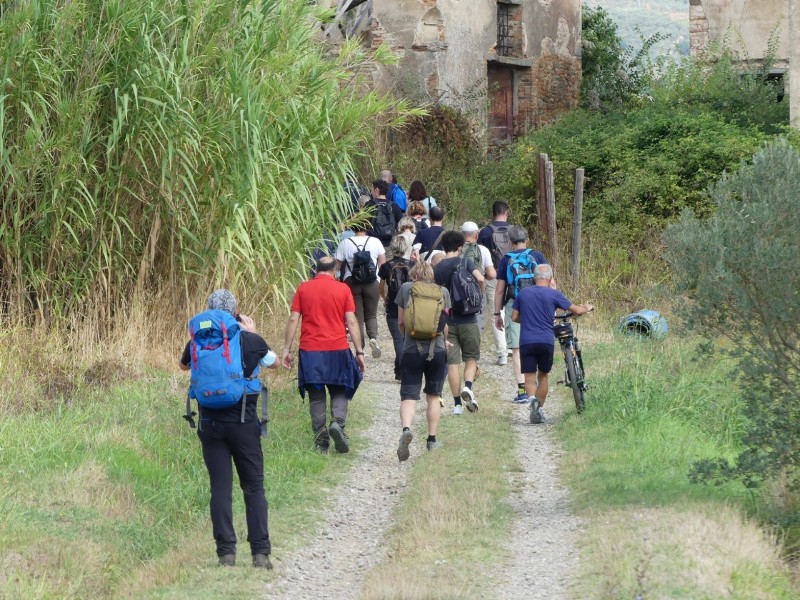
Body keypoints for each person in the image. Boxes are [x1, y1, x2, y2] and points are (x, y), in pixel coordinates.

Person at [179, 289, 275, 569]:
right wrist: (252, 332)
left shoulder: (198, 339)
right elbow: (274, 362)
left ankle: (226, 555)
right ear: (235, 313)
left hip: (210, 424)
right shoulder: (249, 339)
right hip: (244, 424)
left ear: (209, 311)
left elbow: (183, 365)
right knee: (254, 487)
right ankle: (260, 554)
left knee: (220, 488)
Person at [282, 257, 366, 452]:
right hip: (337, 348)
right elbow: (352, 322)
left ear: (316, 270)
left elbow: (294, 319)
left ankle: (321, 440)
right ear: (335, 271)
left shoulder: (303, 288)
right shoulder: (342, 289)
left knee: (316, 395)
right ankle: (337, 423)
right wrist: (359, 351)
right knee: (339, 389)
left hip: (310, 351)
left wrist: (286, 349)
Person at [511, 264, 593, 424]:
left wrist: (527, 319)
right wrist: (587, 307)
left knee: (529, 377)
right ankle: (539, 409)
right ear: (550, 278)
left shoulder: (524, 293)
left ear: (534, 278)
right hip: (545, 340)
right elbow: (576, 310)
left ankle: (533, 400)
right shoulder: (553, 294)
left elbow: (514, 317)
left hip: (526, 340)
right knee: (543, 375)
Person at [395, 262, 451, 460]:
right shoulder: (443, 291)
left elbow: (401, 321)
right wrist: (445, 341)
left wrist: (407, 338)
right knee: (433, 396)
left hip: (412, 350)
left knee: (409, 396)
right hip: (437, 350)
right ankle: (432, 440)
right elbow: (444, 324)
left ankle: (406, 430)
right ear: (431, 275)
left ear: (414, 275)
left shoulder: (406, 288)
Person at [494, 226, 548, 404]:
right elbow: (550, 282)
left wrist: (497, 313)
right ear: (527, 239)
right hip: (538, 305)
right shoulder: (538, 256)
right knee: (539, 342)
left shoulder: (506, 260)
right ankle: (539, 383)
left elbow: (500, 289)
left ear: (511, 242)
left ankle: (523, 390)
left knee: (517, 349)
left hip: (514, 305)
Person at [433, 230, 485, 415]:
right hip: (468, 318)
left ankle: (456, 405)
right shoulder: (465, 262)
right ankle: (468, 386)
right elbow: (480, 278)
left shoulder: (437, 268)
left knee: (452, 363)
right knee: (471, 357)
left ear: (443, 247)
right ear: (460, 247)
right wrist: (477, 297)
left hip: (447, 320)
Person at [334, 220, 386, 358]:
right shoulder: (375, 242)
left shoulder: (345, 243)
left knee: (357, 316)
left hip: (351, 282)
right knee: (371, 314)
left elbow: (337, 266)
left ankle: (360, 347)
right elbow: (383, 264)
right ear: (367, 227)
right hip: (372, 281)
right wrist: (382, 283)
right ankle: (373, 338)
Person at [478, 201, 515, 366]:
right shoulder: (515, 230)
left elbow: (481, 256)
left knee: (496, 313)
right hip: (514, 275)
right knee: (513, 308)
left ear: (493, 214)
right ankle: (513, 346)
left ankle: (502, 353)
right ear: (506, 212)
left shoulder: (485, 232)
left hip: (494, 276)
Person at [379, 235, 411, 380]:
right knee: (407, 339)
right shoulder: (412, 264)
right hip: (410, 305)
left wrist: (385, 298)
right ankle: (403, 370)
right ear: (405, 248)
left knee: (398, 339)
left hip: (393, 306)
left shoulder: (386, 266)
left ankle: (401, 370)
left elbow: (381, 287)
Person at [460, 221, 496, 335]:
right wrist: (482, 276)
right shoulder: (483, 250)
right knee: (478, 317)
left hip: (458, 289)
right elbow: (491, 274)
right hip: (476, 289)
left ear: (462, 234)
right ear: (476, 235)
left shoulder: (456, 249)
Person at [364, 179, 403, 247]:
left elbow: (362, 222)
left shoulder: (369, 205)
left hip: (372, 243)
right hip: (390, 243)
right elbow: (401, 223)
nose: (371, 192)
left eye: (372, 190)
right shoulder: (393, 206)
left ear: (377, 190)